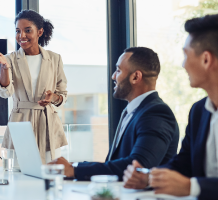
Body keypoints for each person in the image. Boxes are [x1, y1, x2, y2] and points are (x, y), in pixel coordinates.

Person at [123, 14, 218, 200]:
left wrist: (193, 187)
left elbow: (192, 184)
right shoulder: (199, 111)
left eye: (186, 55)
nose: (183, 65)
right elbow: (183, 163)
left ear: (206, 60)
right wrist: (149, 178)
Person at [50, 47, 179, 180]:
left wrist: (75, 170)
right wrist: (73, 166)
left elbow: (137, 167)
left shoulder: (156, 113)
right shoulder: (134, 111)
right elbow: (115, 163)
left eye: (118, 70)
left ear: (135, 77)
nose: (113, 76)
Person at [0, 10, 68, 163]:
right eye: (18, 31)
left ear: (40, 31)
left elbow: (62, 94)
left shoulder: (54, 59)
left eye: (27, 30)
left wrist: (52, 97)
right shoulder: (10, 59)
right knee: (20, 172)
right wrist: (4, 68)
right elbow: (5, 92)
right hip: (21, 121)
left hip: (47, 122)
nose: (21, 35)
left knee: (50, 171)